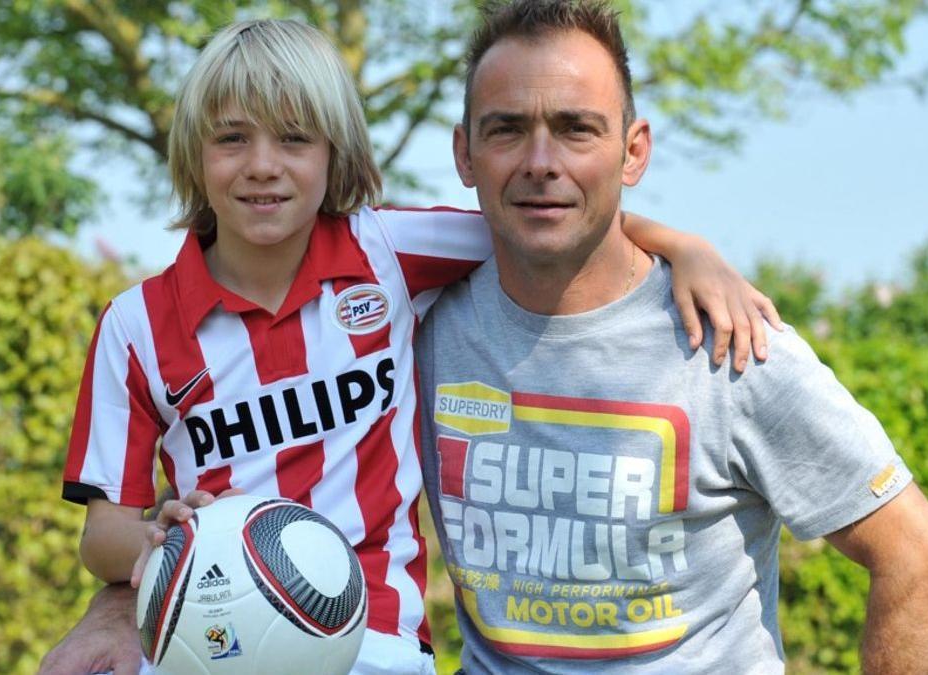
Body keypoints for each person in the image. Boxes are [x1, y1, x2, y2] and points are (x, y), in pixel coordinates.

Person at [46, 16, 779, 675]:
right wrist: (150, 542)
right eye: (232, 137)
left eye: (295, 138)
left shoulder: (389, 252)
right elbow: (102, 528)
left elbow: (549, 224)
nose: (262, 165)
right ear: (194, 154)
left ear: (336, 153)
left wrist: (686, 248)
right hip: (205, 641)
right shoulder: (135, 325)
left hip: (373, 643)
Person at [415, 1, 928, 673]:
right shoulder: (414, 319)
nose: (541, 161)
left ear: (633, 151)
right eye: (506, 130)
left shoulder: (732, 346)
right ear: (463, 153)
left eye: (576, 130)